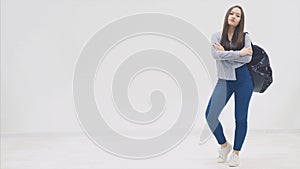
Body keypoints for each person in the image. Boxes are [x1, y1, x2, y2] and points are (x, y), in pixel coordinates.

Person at [205, 5, 253, 167]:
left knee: (240, 118)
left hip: (244, 81)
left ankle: (236, 153)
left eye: (238, 15)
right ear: (227, 16)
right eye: (231, 13)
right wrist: (238, 53)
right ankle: (225, 146)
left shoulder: (245, 37)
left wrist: (225, 53)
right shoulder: (217, 36)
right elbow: (215, 55)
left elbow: (247, 59)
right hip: (224, 81)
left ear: (241, 20)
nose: (234, 16)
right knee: (210, 116)